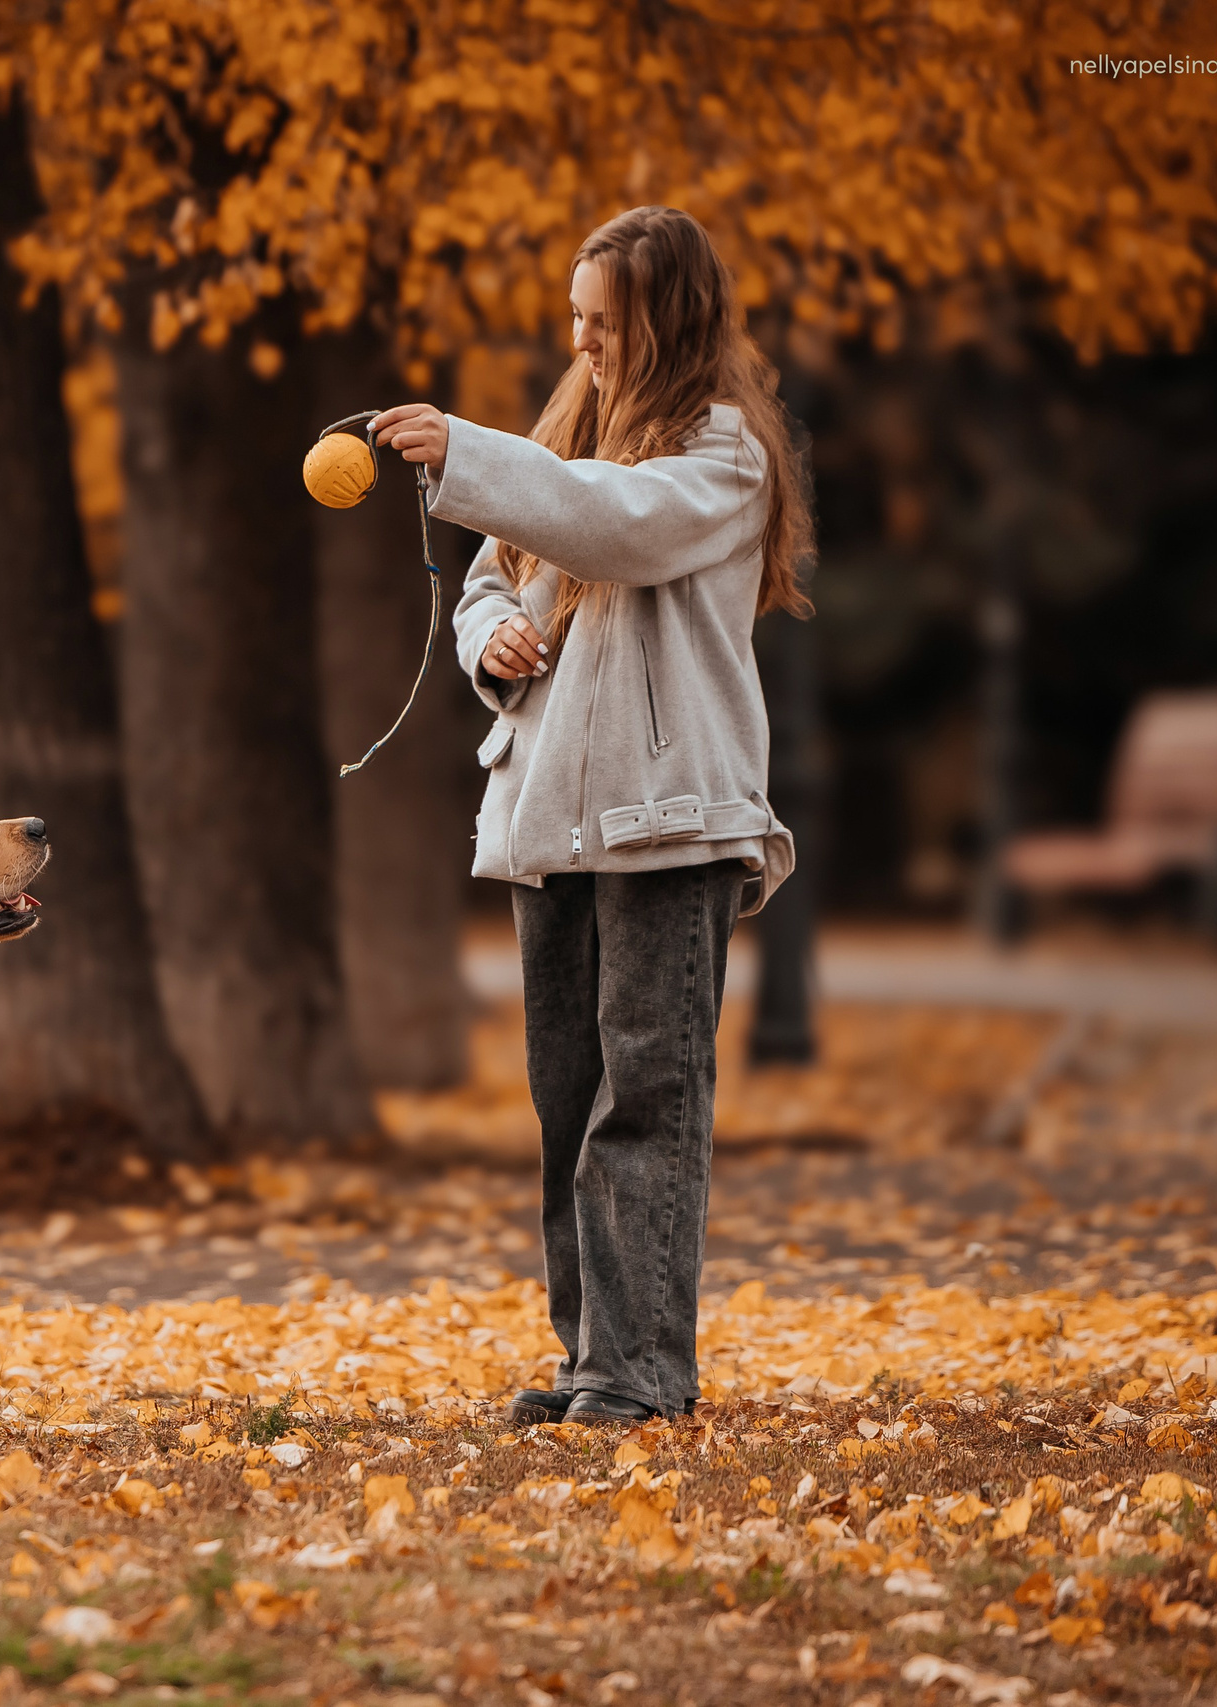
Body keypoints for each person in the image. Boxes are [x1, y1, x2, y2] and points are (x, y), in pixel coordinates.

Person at [372, 205, 814, 1425]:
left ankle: (638, 1374)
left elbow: (611, 529)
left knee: (645, 1099)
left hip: (668, 823)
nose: (584, 343)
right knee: (568, 1104)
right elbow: (492, 575)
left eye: (605, 322)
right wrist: (490, 640)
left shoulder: (724, 455)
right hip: (551, 821)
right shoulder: (569, 434)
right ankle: (589, 1363)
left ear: (665, 320)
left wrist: (463, 450)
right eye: (574, 320)